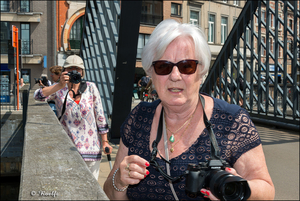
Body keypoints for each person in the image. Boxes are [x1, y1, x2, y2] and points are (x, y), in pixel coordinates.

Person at [103, 19, 275, 200]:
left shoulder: (231, 121)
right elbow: (109, 191)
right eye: (163, 67)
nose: (175, 76)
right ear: (150, 72)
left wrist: (237, 189)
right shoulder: (139, 118)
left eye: (186, 66)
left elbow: (267, 191)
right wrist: (120, 181)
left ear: (201, 72)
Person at [34, 55, 113, 180]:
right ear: (64, 71)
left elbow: (100, 116)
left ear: (82, 72)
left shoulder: (91, 87)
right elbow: (37, 96)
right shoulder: (59, 89)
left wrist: (105, 142)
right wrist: (59, 85)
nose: (74, 71)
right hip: (67, 150)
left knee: (91, 190)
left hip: (91, 150)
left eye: (77, 69)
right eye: (70, 68)